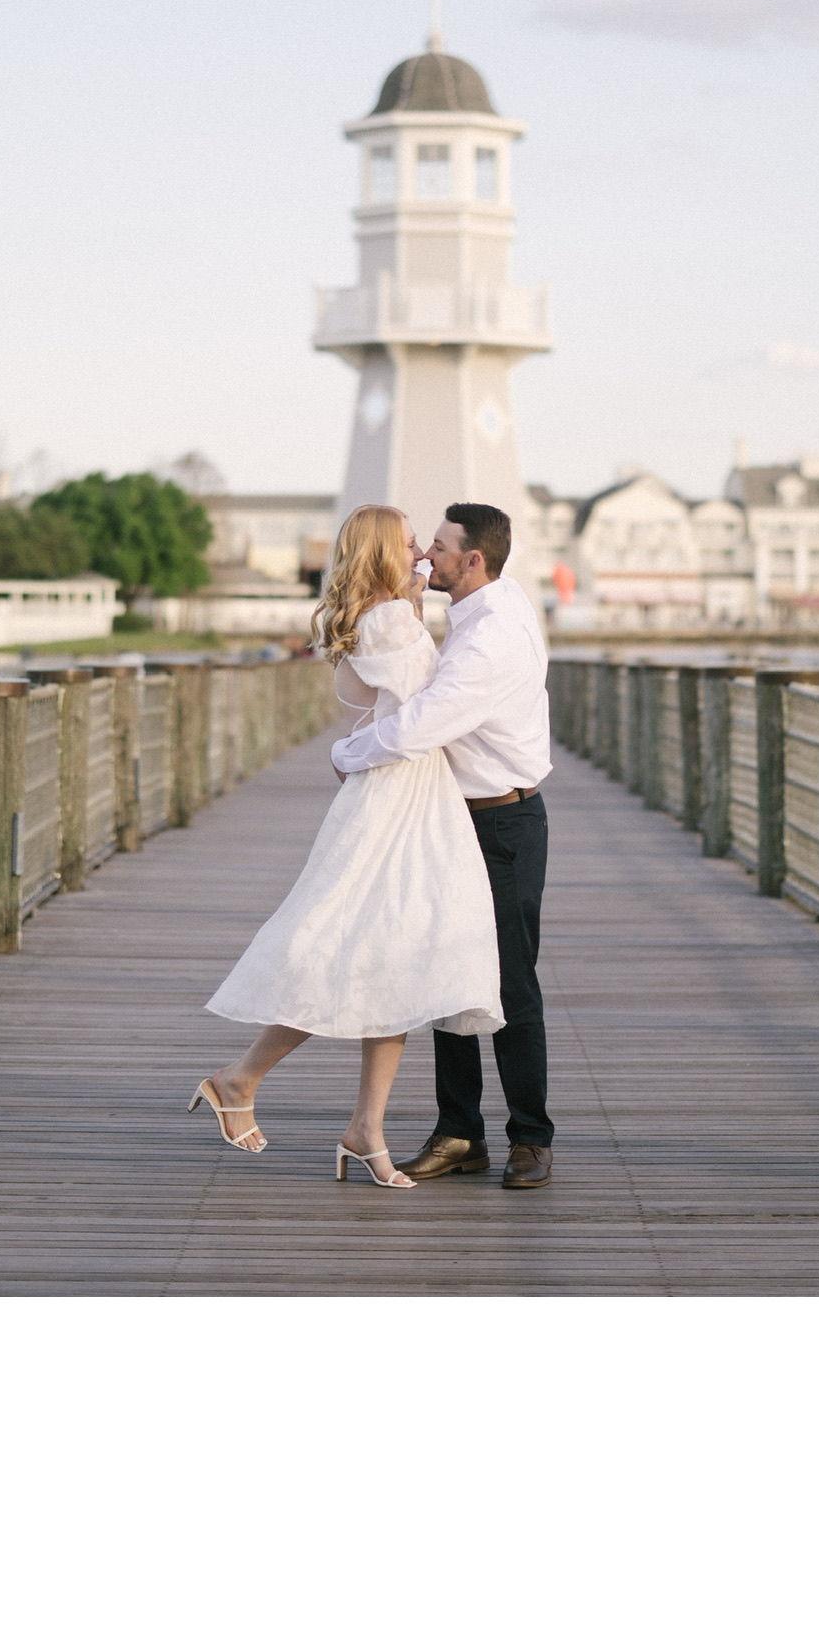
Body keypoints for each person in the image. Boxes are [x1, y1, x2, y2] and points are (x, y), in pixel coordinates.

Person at [193, 504, 503, 1189]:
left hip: (409, 797)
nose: (422, 549)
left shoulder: (384, 612)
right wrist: (417, 609)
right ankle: (238, 1077)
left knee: (394, 966)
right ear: (384, 552)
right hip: (398, 800)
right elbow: (425, 709)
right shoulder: (389, 619)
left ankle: (366, 1129)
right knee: (349, 954)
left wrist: (413, 600)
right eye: (409, 542)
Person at [330, 502, 555, 1189]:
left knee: (510, 982)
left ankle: (529, 1137)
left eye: (438, 548)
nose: (426, 556)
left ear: (473, 561)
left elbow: (419, 724)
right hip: (453, 816)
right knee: (443, 971)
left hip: (501, 822)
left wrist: (345, 752)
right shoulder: (484, 607)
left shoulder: (491, 640)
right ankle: (459, 1131)